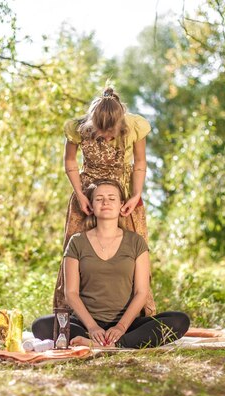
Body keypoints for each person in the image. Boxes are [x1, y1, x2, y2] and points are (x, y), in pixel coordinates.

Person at [35, 180, 189, 348]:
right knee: (40, 325)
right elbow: (70, 293)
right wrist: (93, 327)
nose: (106, 202)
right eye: (99, 198)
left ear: (122, 205)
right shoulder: (77, 242)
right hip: (86, 324)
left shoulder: (136, 242)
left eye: (111, 198)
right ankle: (107, 341)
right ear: (91, 206)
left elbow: (141, 292)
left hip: (127, 325)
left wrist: (121, 327)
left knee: (180, 320)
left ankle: (111, 344)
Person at [53, 87, 156, 317]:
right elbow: (70, 162)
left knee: (133, 249)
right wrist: (80, 195)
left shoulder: (134, 128)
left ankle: (134, 317)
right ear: (92, 125)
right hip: (86, 195)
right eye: (102, 134)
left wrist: (136, 195)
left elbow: (139, 163)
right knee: (77, 247)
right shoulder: (77, 129)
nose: (108, 138)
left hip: (125, 196)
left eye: (112, 134)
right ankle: (70, 317)